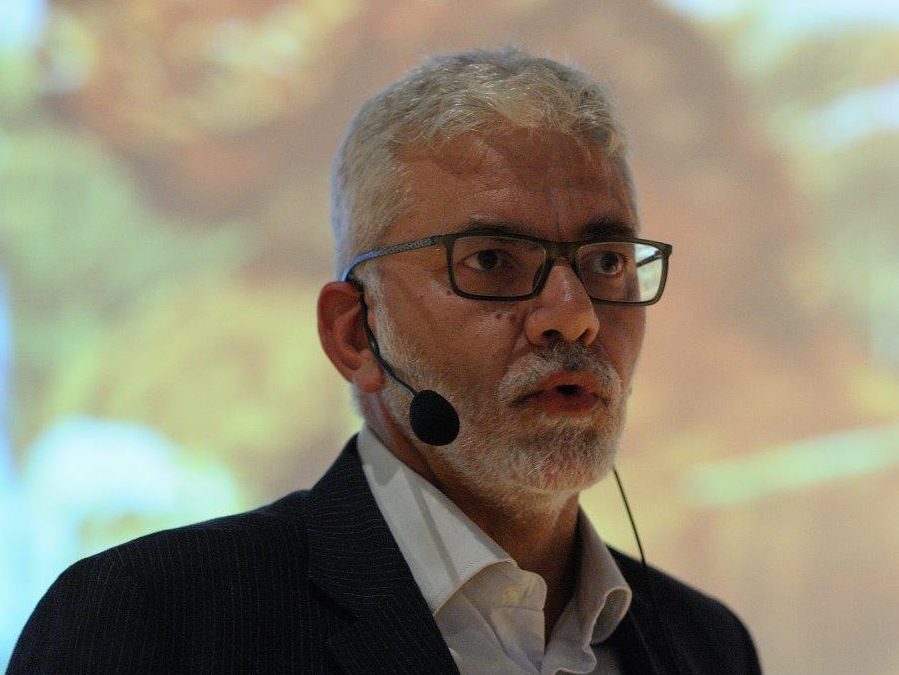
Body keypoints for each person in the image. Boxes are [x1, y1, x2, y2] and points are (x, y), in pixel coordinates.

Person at [9, 47, 762, 674]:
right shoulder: (152, 622)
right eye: (491, 260)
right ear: (354, 334)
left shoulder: (703, 645)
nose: (574, 314)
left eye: (605, 262)